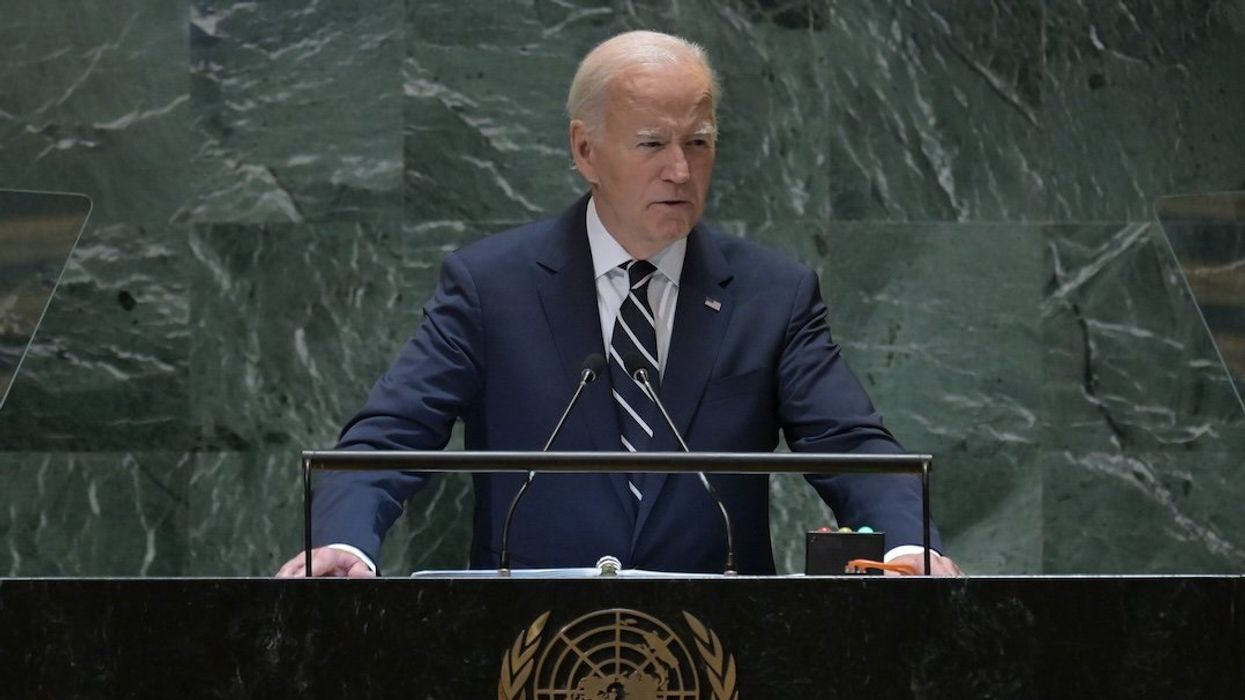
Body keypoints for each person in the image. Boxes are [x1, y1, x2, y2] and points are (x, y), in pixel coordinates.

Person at [277, 30, 961, 578]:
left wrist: (906, 547)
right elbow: (388, 438)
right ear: (585, 149)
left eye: (698, 143)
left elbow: (849, 444)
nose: (680, 170)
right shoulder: (491, 286)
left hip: (720, 651)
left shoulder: (771, 295)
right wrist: (345, 544)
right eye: (652, 144)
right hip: (526, 649)